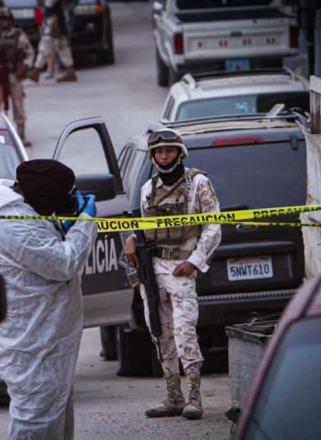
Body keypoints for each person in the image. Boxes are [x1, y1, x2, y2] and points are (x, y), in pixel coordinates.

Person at [0, 159, 98, 440]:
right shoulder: (15, 224)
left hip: (44, 337)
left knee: (54, 418)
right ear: (46, 196)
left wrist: (61, 227)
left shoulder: (24, 211)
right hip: (32, 343)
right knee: (36, 422)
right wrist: (85, 223)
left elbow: (45, 248)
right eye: (64, 194)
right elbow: (63, 262)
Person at [123, 128, 221, 420]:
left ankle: (195, 397)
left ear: (180, 152)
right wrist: (130, 238)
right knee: (159, 333)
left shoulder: (198, 184)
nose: (164, 156)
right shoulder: (147, 189)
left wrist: (194, 262)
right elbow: (142, 227)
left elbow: (213, 227)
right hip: (153, 269)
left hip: (182, 268)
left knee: (184, 333)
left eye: (169, 150)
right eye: (159, 152)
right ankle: (173, 397)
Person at [0, 7, 36, 147]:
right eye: (1, 20)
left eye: (6, 19)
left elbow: (30, 53)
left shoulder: (19, 35)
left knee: (18, 105)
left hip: (15, 75)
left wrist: (23, 67)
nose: (3, 23)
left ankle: (21, 135)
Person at [33, 0, 77, 82]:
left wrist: (43, 6)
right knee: (62, 47)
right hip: (56, 22)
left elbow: (48, 10)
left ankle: (36, 71)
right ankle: (70, 71)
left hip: (55, 23)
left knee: (46, 46)